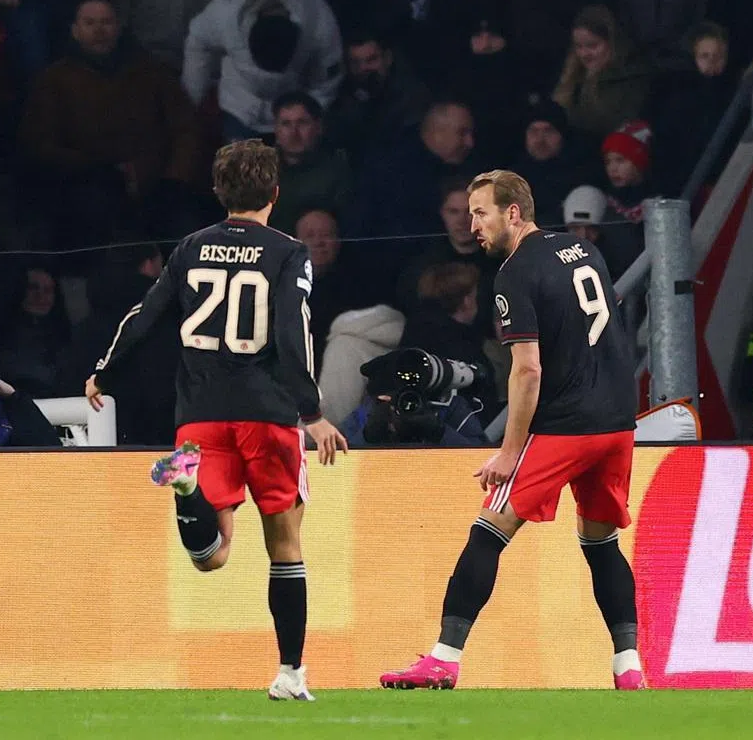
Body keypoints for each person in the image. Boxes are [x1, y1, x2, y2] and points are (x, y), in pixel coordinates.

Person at [84, 139, 348, 701]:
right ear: (275, 192)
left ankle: (187, 491)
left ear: (218, 191)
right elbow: (292, 332)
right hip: (267, 415)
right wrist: (312, 413)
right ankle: (290, 673)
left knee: (213, 556)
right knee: (285, 543)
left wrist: (106, 372)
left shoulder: (191, 247)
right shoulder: (288, 252)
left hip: (200, 417)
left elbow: (146, 314)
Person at [380, 170, 643, 691]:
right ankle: (628, 665)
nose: (473, 225)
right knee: (600, 542)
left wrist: (508, 452)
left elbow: (527, 371)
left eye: (482, 213)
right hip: (616, 423)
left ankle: (443, 659)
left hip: (566, 425)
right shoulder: (583, 250)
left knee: (488, 531)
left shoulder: (515, 273)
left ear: (514, 213)